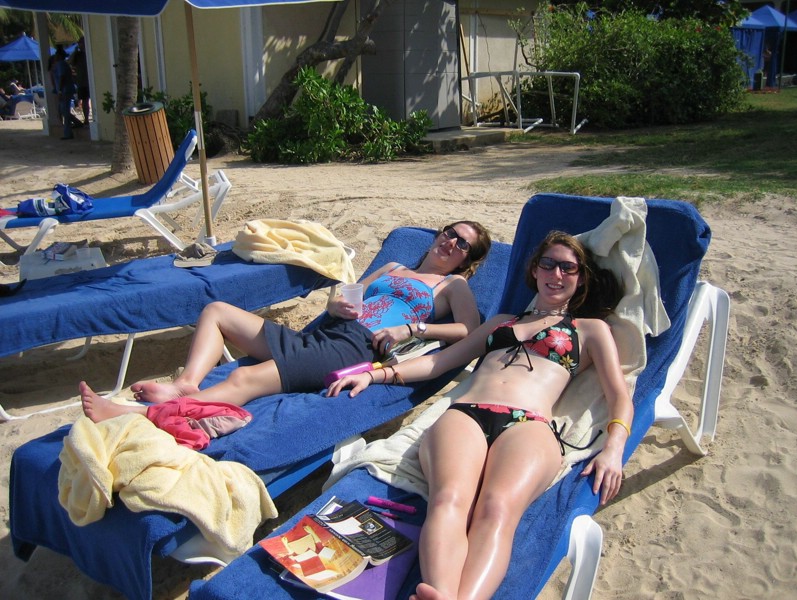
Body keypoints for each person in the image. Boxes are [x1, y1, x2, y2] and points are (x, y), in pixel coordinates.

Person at [327, 230, 632, 600]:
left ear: (580, 278)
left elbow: (619, 395)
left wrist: (614, 448)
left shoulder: (591, 330)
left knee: (497, 510)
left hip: (530, 424)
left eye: (568, 268)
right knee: (448, 499)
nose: (557, 274)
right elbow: (441, 360)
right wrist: (375, 374)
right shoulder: (500, 322)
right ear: (535, 270)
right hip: (466, 415)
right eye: (548, 264)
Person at [80, 221, 493, 422]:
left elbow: (469, 332)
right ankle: (187, 383)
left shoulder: (451, 285)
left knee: (244, 378)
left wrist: (412, 329)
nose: (450, 242)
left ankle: (141, 416)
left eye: (462, 244)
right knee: (216, 311)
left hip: (355, 349)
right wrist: (336, 306)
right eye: (449, 232)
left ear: (467, 261)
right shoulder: (393, 266)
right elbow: (346, 295)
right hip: (324, 334)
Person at [69, 37, 91, 123]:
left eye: (82, 43)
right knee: (85, 101)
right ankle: (86, 119)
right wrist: (75, 51)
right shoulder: (77, 55)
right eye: (79, 43)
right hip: (82, 82)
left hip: (90, 81)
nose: (80, 45)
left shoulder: (90, 52)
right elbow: (69, 62)